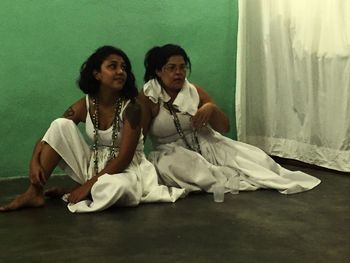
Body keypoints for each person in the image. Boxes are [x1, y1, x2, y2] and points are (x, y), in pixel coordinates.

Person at [0, 45, 184, 213]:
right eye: (113, 66)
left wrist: (86, 186)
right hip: (95, 166)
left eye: (123, 68)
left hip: (126, 171)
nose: (121, 72)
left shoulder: (133, 108)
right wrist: (34, 160)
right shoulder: (86, 103)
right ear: (97, 74)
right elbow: (52, 134)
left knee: (117, 188)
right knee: (60, 125)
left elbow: (124, 158)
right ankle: (34, 193)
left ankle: (87, 190)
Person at [138, 43, 321, 195]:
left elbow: (224, 127)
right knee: (186, 170)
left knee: (261, 161)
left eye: (182, 67)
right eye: (171, 68)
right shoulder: (149, 97)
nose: (178, 72)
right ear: (158, 71)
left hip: (208, 144)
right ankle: (221, 177)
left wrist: (211, 108)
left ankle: (226, 174)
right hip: (171, 153)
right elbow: (140, 136)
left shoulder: (193, 91)